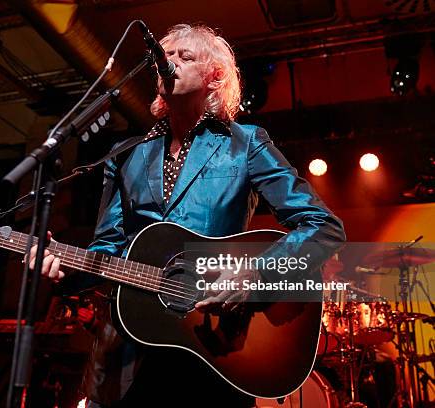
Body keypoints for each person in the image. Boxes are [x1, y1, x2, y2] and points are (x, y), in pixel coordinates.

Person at [29, 23, 346, 407]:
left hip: (216, 350)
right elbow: (108, 250)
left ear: (214, 77)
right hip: (132, 355)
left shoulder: (244, 144)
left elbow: (323, 227)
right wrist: (65, 269)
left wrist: (256, 274)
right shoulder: (126, 153)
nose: (169, 62)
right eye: (164, 56)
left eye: (185, 56)